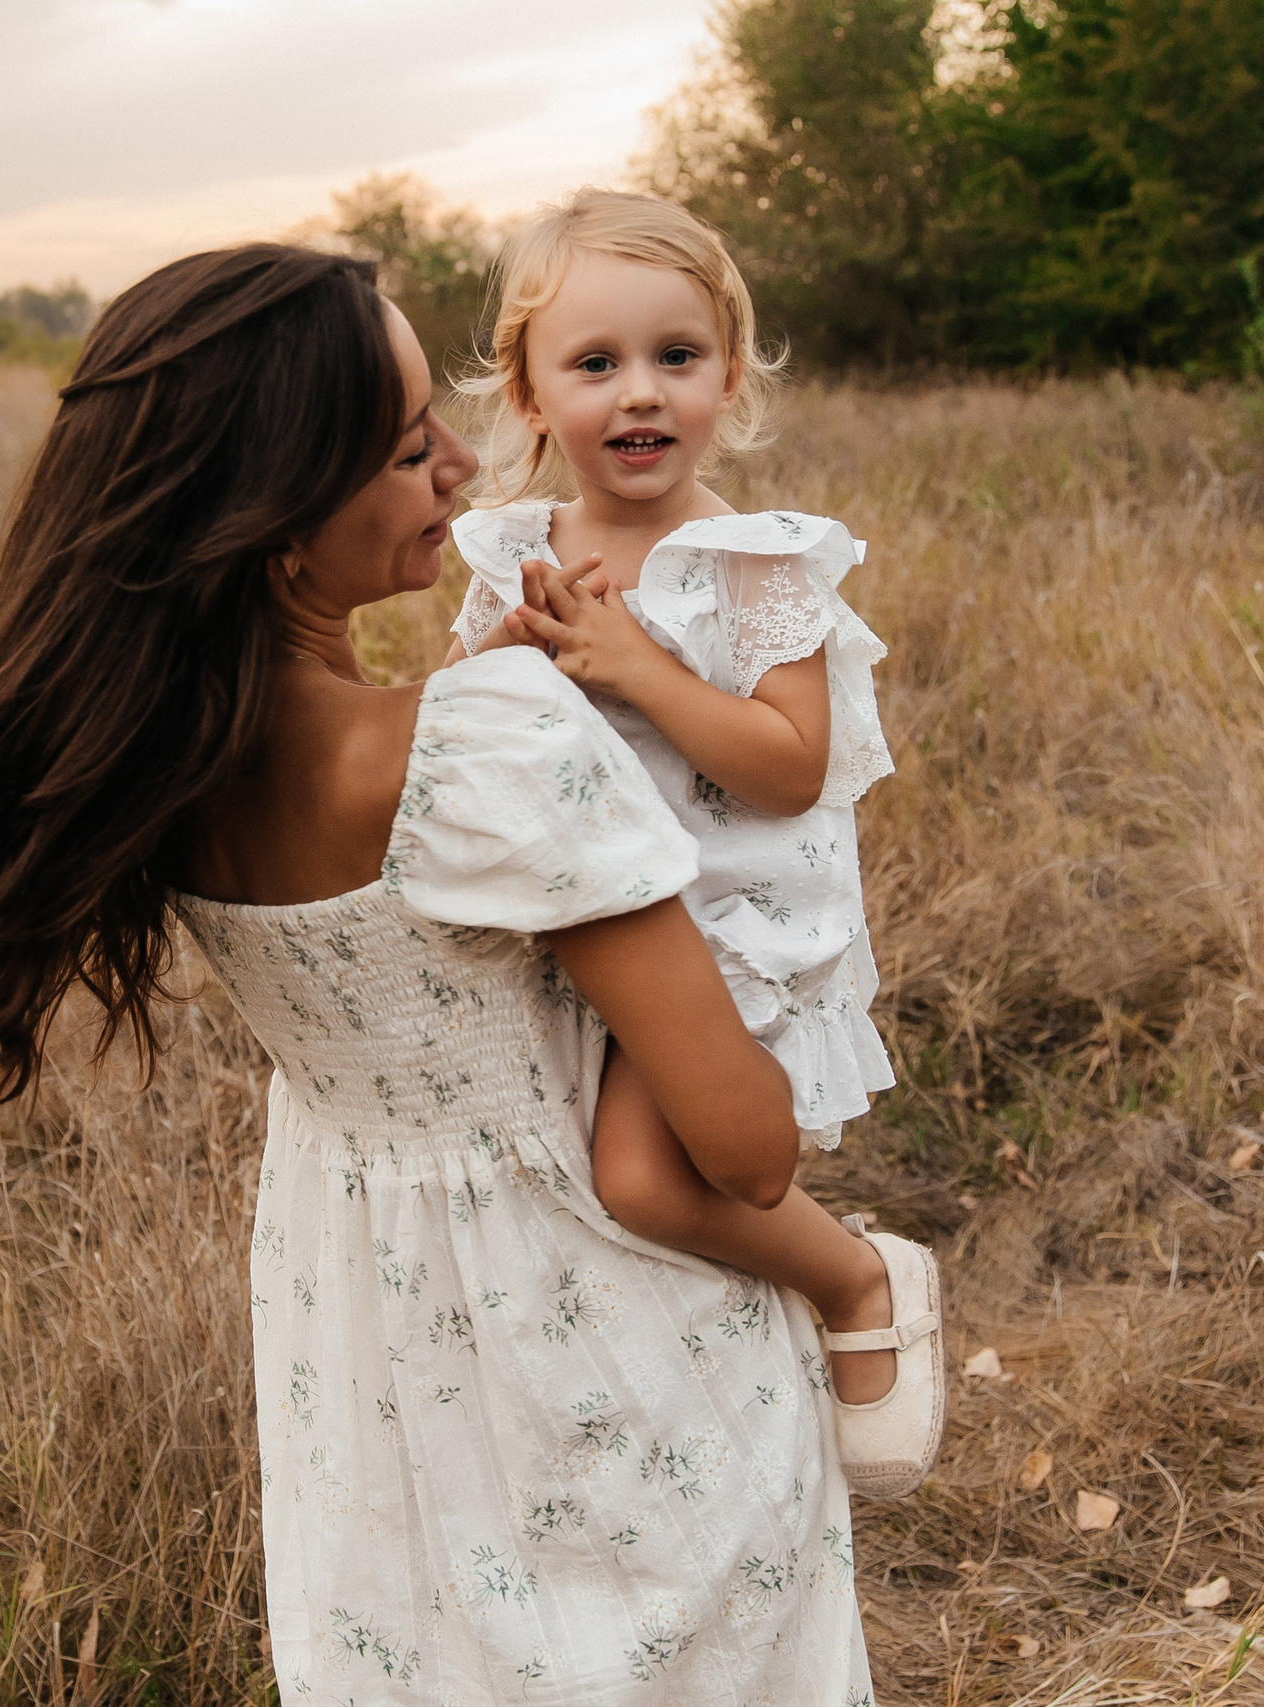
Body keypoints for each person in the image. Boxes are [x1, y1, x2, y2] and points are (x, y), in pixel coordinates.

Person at [0, 245, 879, 1702]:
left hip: (371, 1353)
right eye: (409, 450)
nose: (464, 466)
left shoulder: (161, 763)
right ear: (276, 521)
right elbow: (748, 1147)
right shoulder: (485, 743)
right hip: (615, 1340)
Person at [442, 190, 942, 1497]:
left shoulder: (753, 564)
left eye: (677, 355)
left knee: (650, 1179)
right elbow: (464, 735)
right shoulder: (517, 556)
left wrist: (639, 666)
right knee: (563, 1192)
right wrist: (507, 664)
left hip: (725, 918)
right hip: (578, 924)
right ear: (530, 393)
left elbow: (788, 770)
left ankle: (859, 1279)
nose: (640, 393)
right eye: (594, 363)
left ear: (730, 375)